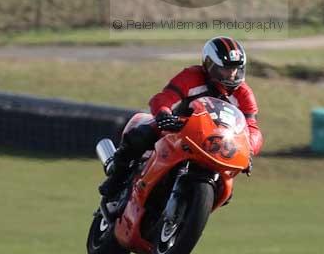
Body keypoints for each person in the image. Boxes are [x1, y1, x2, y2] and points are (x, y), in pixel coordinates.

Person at [99, 36, 263, 199]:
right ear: (210, 65)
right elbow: (165, 98)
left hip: (215, 144)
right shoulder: (192, 76)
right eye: (226, 69)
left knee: (226, 192)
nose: (232, 74)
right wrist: (164, 114)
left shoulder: (244, 94)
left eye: (236, 69)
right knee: (140, 136)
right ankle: (116, 179)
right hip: (178, 127)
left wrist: (249, 150)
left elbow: (252, 128)